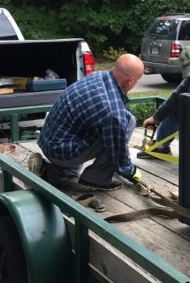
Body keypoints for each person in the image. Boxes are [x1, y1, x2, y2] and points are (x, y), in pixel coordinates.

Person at [38, 53, 145, 191]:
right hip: (60, 152)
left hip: (49, 142)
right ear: (130, 80)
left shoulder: (98, 76)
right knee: (125, 124)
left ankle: (56, 172)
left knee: (125, 119)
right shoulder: (111, 111)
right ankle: (96, 179)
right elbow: (118, 151)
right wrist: (131, 172)